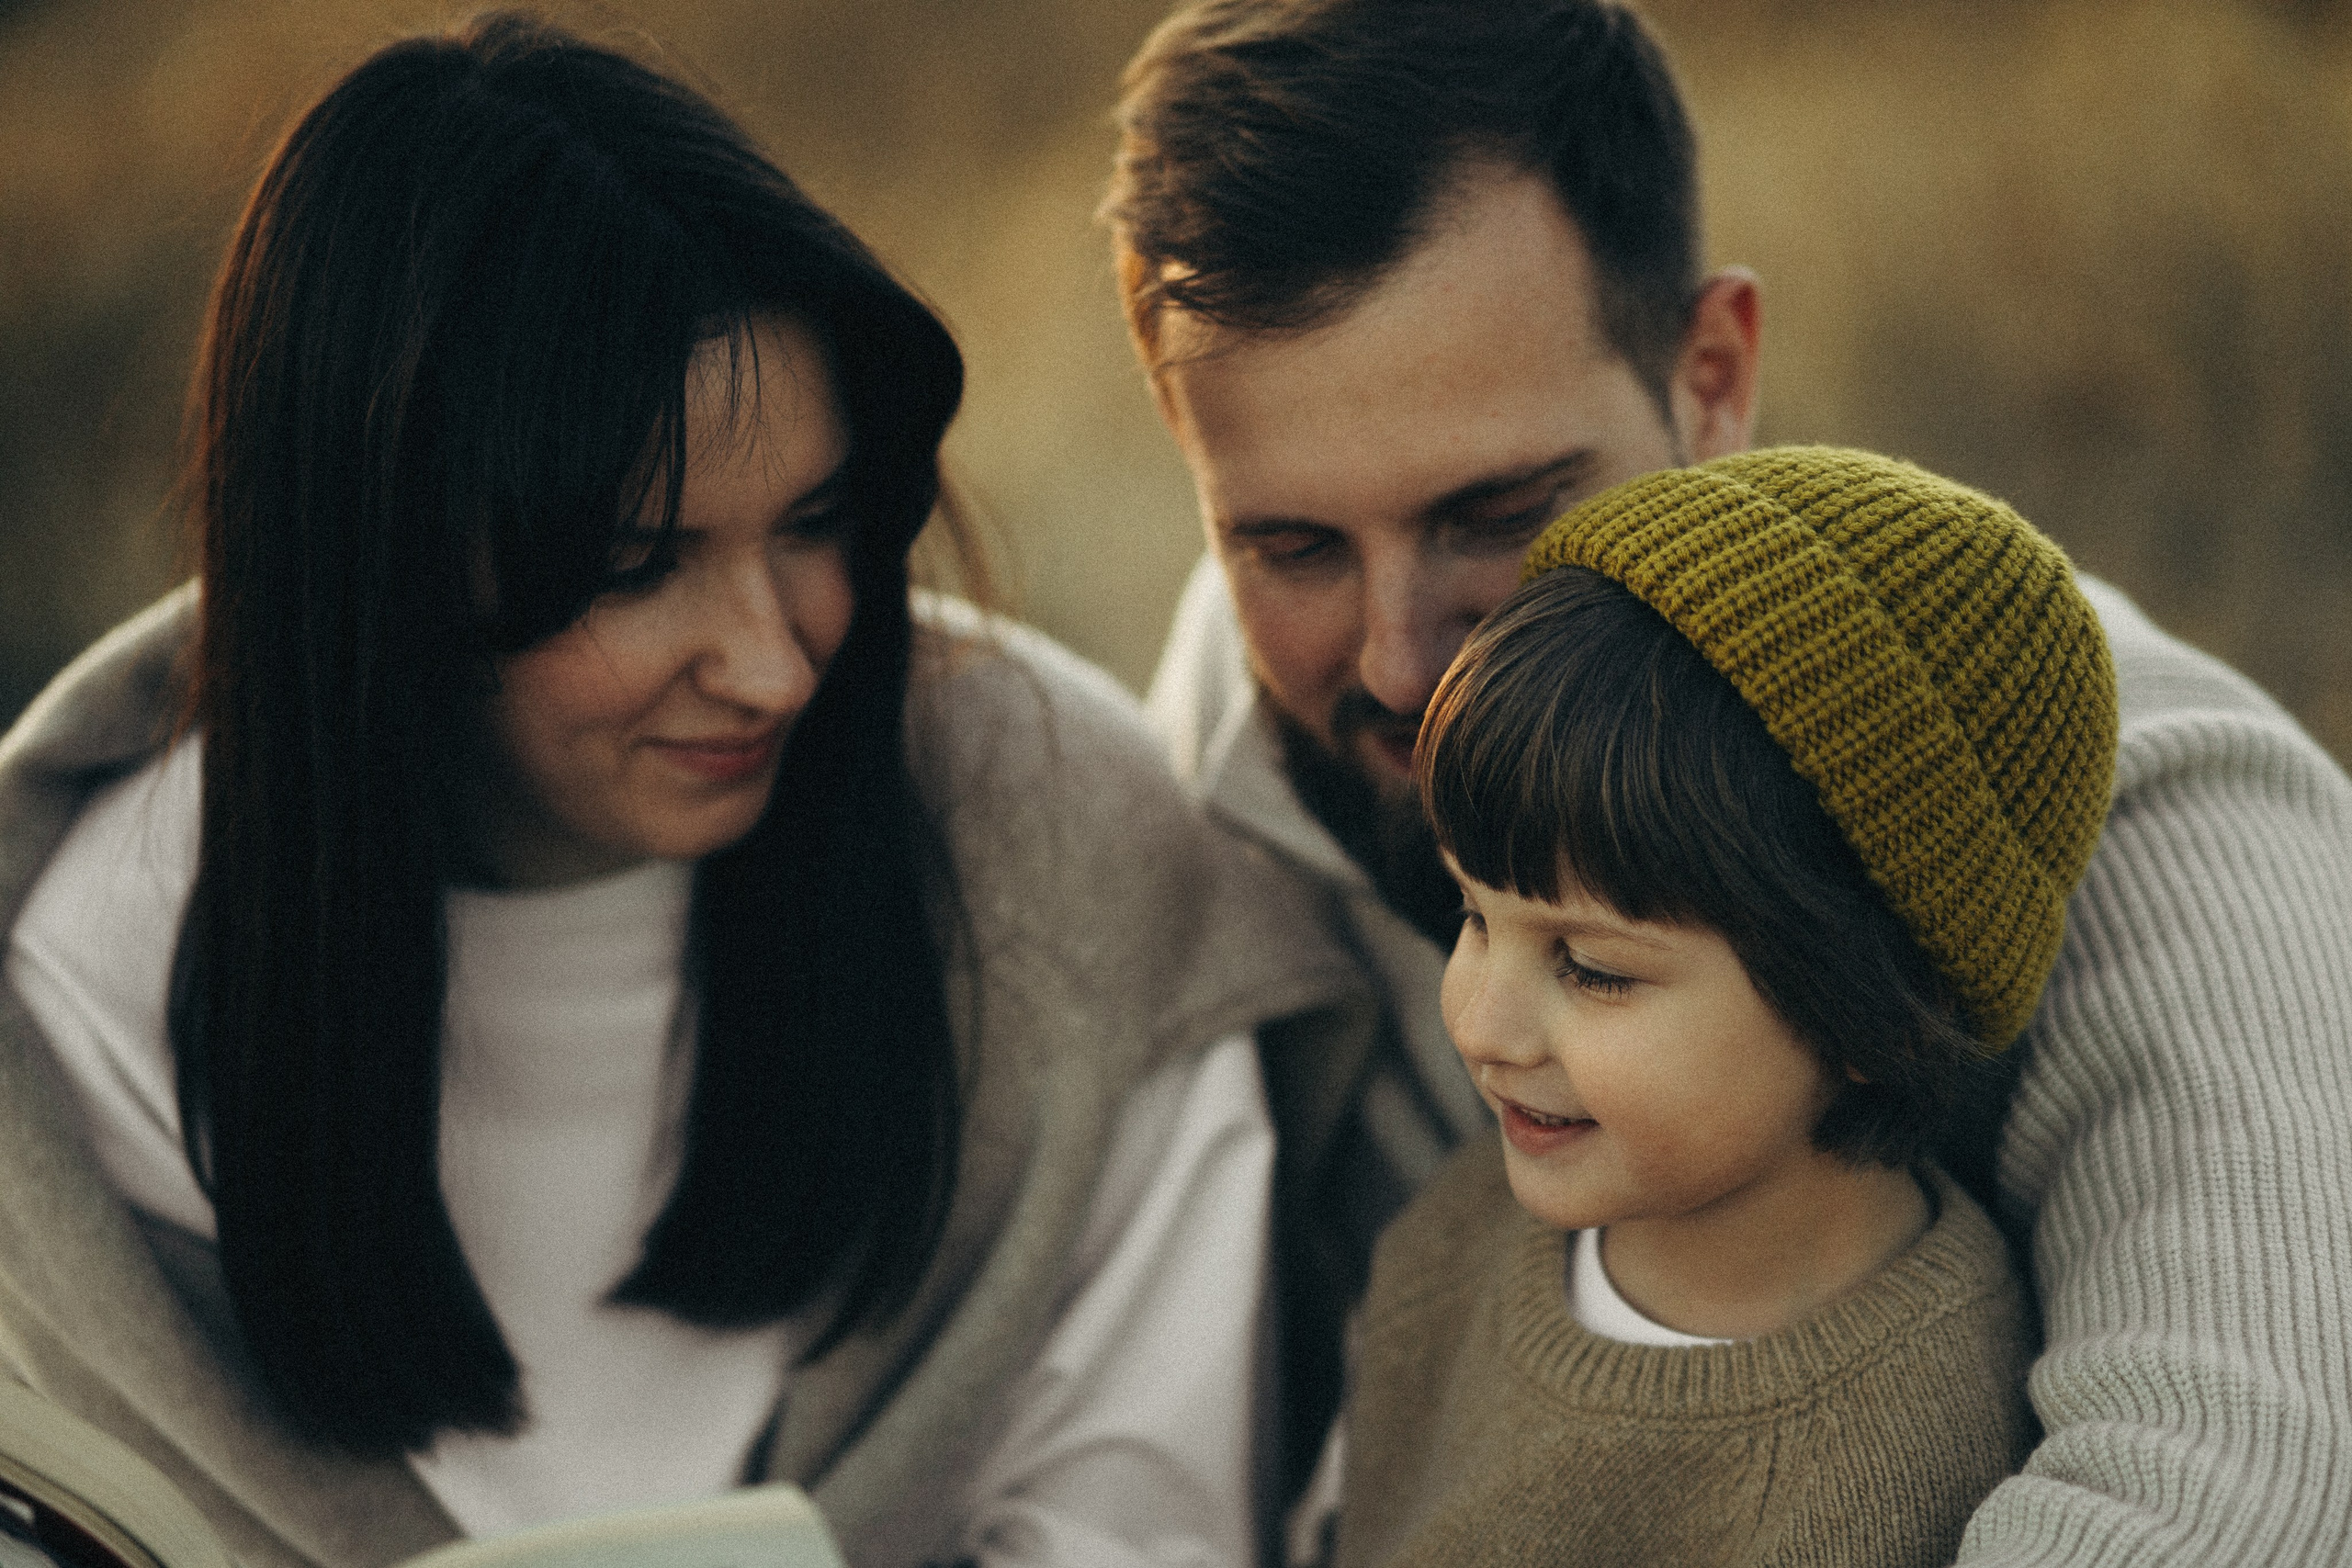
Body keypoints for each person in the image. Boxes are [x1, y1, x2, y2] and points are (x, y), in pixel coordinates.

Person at [0, 15, 1363, 1568]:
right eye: (641, 567)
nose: (776, 665)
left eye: (818, 521)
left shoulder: (1055, 838)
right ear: (384, 564)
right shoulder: (80, 999)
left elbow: (1156, 1520)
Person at [1106, 1, 2352, 1562]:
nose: (1397, 665)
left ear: (1709, 377)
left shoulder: (2153, 801)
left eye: (1495, 513)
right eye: (1286, 546)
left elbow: (2228, 1476)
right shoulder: (1228, 727)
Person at [1344, 446, 2114, 1566]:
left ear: (1873, 999)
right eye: (1472, 916)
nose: (1480, 1024)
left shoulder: (1892, 1471)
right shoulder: (1462, 1231)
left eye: (1592, 967)